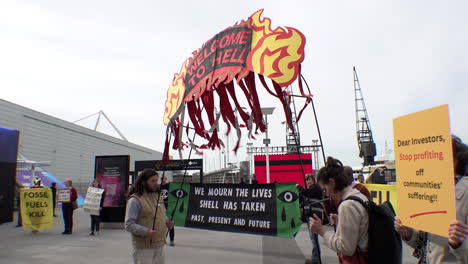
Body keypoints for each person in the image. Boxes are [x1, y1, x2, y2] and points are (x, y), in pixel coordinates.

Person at [395, 135, 468, 263]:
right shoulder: (429, 190)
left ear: (456, 159)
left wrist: (459, 244)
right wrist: (408, 233)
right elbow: (423, 245)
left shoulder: (465, 191)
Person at [310, 157, 369, 263]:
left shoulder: (347, 205)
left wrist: (322, 231)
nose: (326, 194)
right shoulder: (358, 196)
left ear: (332, 182)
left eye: (325, 189)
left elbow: (346, 248)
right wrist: (340, 221)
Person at [125, 169, 174, 264]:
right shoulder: (135, 200)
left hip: (160, 245)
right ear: (143, 182)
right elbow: (129, 224)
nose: (156, 183)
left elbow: (162, 214)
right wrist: (146, 231)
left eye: (156, 180)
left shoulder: (158, 196)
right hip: (143, 248)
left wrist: (167, 222)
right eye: (152, 181)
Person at [301, 174, 323, 264]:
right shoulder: (308, 190)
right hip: (308, 215)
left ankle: (315, 259)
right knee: (313, 238)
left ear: (313, 180)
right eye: (306, 180)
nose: (308, 181)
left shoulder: (316, 188)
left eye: (309, 179)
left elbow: (307, 193)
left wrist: (300, 188)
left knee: (314, 238)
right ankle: (316, 258)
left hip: (314, 215)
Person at [161, 175, 175, 246]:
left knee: (170, 223)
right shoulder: (158, 186)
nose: (162, 180)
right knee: (161, 224)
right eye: (161, 178)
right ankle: (163, 239)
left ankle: (172, 240)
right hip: (160, 206)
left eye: (164, 178)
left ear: (166, 179)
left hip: (168, 206)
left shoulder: (169, 186)